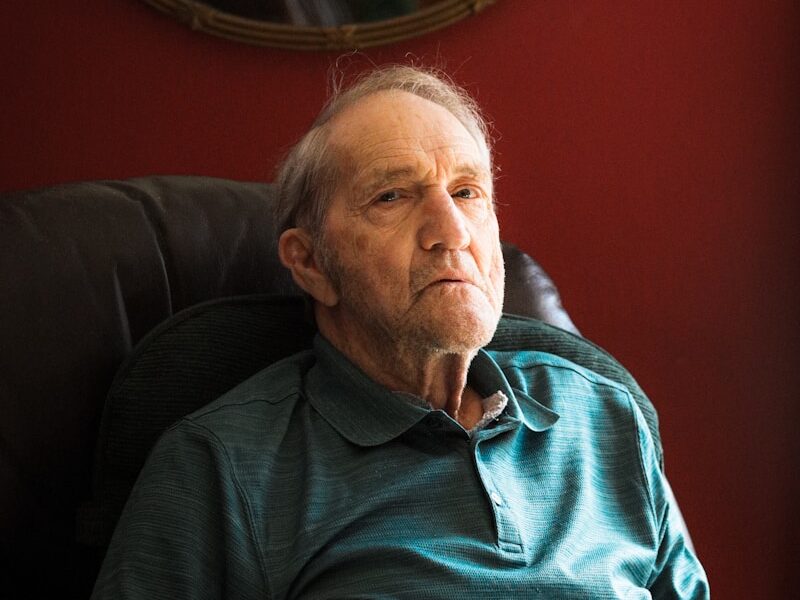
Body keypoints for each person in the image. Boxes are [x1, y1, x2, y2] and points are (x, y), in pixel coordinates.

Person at [92, 65, 709, 598]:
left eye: (468, 192)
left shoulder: (606, 414)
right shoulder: (219, 467)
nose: (451, 230)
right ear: (310, 262)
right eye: (391, 196)